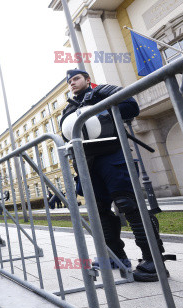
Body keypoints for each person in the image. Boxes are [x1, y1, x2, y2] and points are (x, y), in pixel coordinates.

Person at [60, 69, 169, 282]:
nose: (72, 83)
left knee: (127, 203)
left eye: (76, 79)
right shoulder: (69, 107)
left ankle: (153, 261)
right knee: (98, 209)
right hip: (87, 162)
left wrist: (100, 113)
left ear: (87, 79)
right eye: (69, 81)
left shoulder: (103, 91)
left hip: (112, 154)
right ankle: (114, 256)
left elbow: (131, 107)